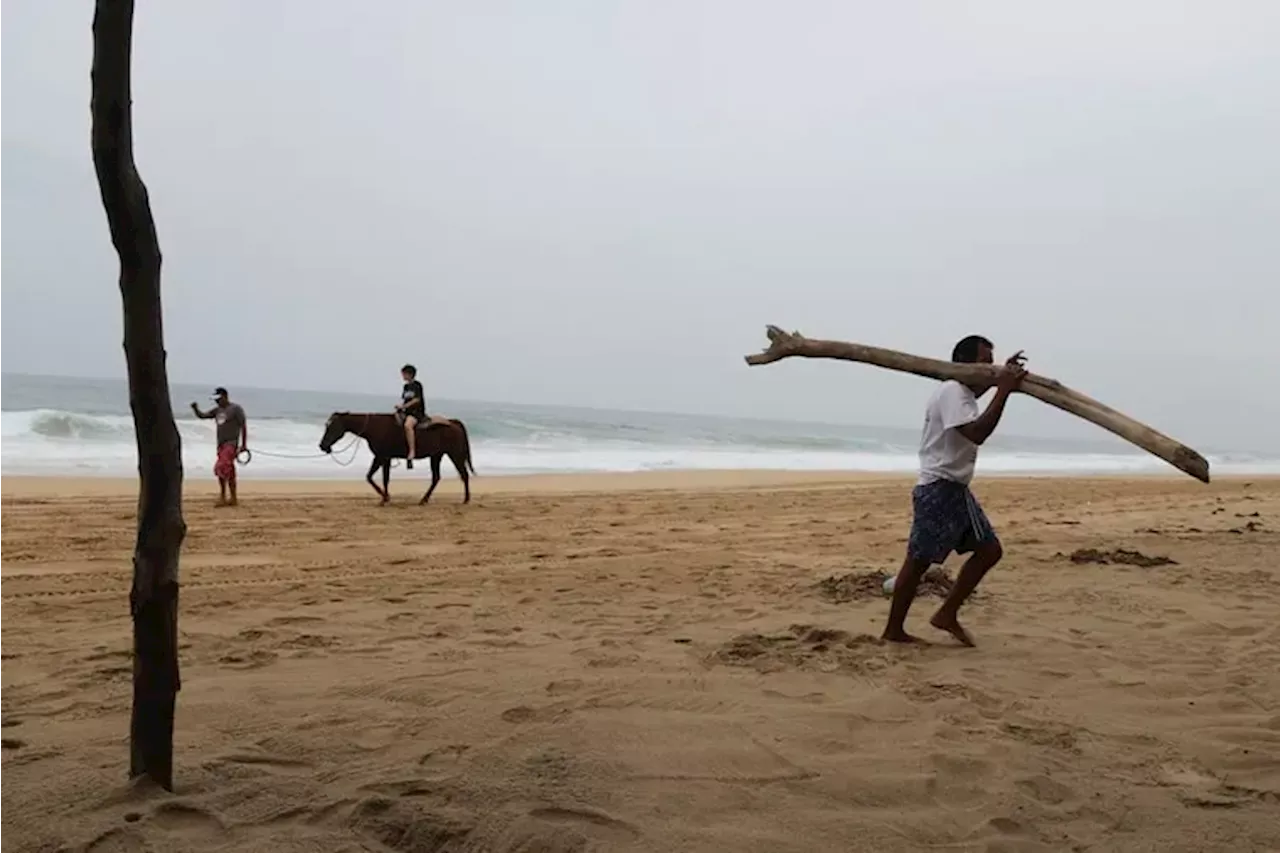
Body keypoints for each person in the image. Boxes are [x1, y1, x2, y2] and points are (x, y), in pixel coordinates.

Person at [881, 335, 1027, 647]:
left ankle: (946, 614)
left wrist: (1003, 380)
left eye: (992, 362)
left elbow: (974, 399)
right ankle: (894, 630)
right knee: (918, 561)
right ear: (963, 364)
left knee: (990, 551)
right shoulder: (951, 391)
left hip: (955, 489)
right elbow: (976, 433)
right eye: (984, 362)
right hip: (939, 488)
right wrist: (1003, 390)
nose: (989, 367)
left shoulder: (963, 394)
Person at [191, 387, 248, 506]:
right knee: (229, 471)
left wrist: (244, 445)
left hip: (231, 444)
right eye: (215, 399)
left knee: (220, 467)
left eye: (218, 399)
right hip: (221, 444)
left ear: (225, 396)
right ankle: (231, 497)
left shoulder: (236, 409)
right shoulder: (217, 410)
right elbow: (203, 416)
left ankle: (224, 497)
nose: (217, 401)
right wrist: (195, 409)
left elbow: (243, 426)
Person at [396, 364, 426, 469]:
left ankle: (412, 451)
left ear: (410, 374)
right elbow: (405, 399)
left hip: (416, 413)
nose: (402, 376)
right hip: (407, 412)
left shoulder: (417, 385)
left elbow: (416, 400)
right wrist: (400, 408)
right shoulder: (406, 387)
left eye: (404, 374)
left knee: (408, 425)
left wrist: (404, 406)